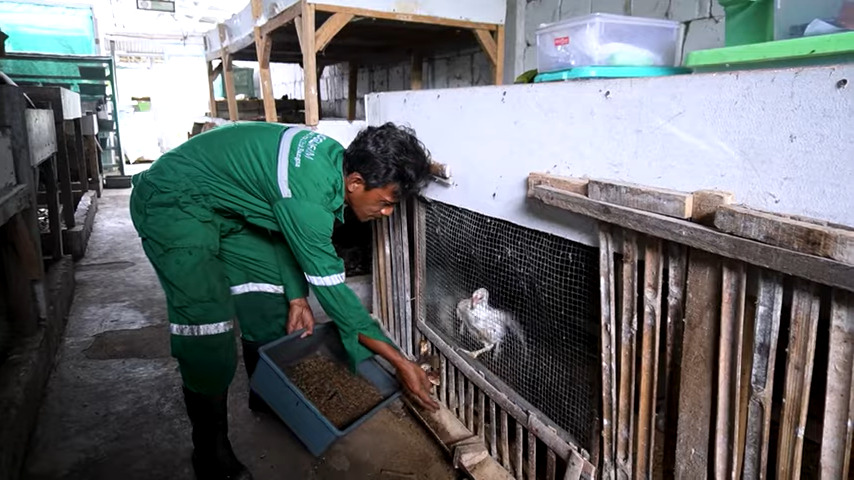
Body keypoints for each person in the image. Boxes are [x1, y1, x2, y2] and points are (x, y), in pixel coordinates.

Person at [129, 122, 440, 480]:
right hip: (175, 200)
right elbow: (341, 303)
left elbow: (280, 222)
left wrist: (296, 297)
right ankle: (210, 449)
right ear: (354, 183)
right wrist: (401, 362)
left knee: (269, 302)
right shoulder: (311, 200)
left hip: (229, 207)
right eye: (385, 203)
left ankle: (266, 393)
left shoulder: (332, 162)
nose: (387, 213)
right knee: (207, 324)